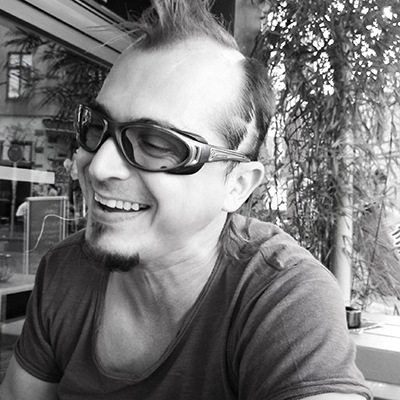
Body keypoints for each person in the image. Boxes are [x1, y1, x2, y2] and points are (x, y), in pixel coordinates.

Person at [0, 1, 372, 399]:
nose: (99, 167)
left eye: (157, 143)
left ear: (237, 185)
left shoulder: (282, 297)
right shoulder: (65, 270)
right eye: (96, 127)